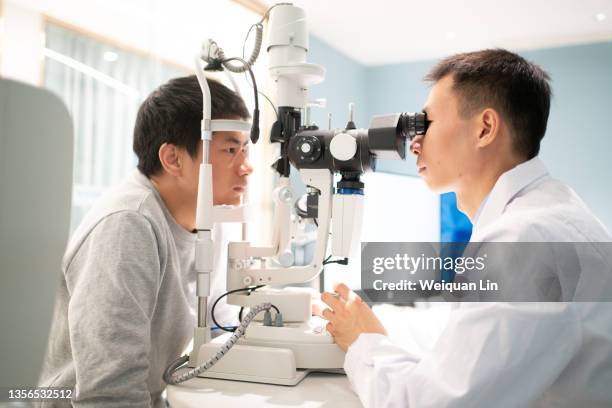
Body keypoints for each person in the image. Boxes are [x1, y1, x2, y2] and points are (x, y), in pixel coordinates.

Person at [320, 49, 612, 407]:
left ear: (485, 128)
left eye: (425, 124)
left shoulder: (525, 241)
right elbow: (471, 334)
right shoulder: (550, 211)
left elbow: (433, 403)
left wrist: (362, 342)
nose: (414, 142)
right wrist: (373, 321)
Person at [38, 75, 253, 407]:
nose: (246, 167)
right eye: (230, 149)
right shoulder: (128, 225)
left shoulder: (207, 218)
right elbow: (108, 392)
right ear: (173, 159)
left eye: (245, 150)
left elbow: (220, 315)